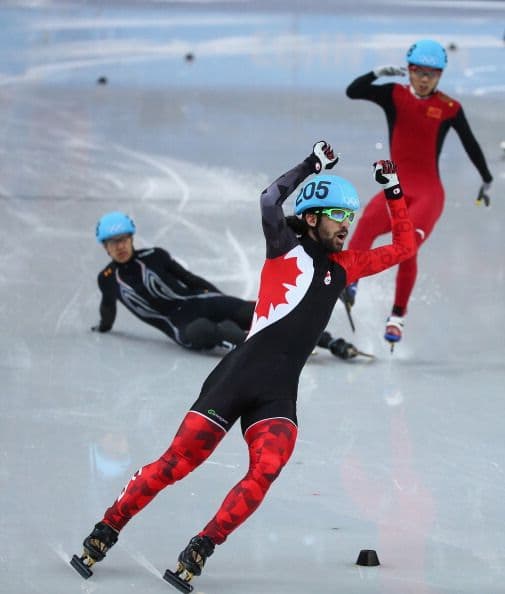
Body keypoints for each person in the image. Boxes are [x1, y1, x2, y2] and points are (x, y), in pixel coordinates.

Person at [71, 141, 416, 589]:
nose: (347, 226)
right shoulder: (284, 246)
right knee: (176, 463)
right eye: (339, 217)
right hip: (236, 378)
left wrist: (392, 191)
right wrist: (311, 165)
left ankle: (202, 546)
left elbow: (405, 246)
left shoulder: (345, 266)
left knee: (267, 469)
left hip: (277, 391)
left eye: (350, 218)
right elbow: (270, 199)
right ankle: (107, 529)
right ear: (312, 217)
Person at [343, 38, 493, 347]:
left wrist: (487, 178)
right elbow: (353, 91)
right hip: (395, 189)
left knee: (406, 246)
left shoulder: (450, 108)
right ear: (408, 71)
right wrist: (375, 73)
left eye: (432, 74)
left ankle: (397, 316)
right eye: (418, 72)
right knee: (367, 224)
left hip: (428, 194)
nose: (424, 79)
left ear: (440, 75)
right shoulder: (393, 95)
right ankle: (352, 280)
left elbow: (471, 144)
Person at [93, 211, 360, 359]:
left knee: (251, 312)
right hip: (180, 326)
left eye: (123, 240)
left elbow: (191, 279)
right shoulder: (107, 279)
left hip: (201, 301)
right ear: (105, 247)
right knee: (210, 329)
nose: (119, 247)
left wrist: (222, 301)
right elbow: (107, 309)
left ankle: (331, 342)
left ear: (131, 238)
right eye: (112, 242)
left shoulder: (155, 255)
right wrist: (104, 328)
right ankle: (272, 349)